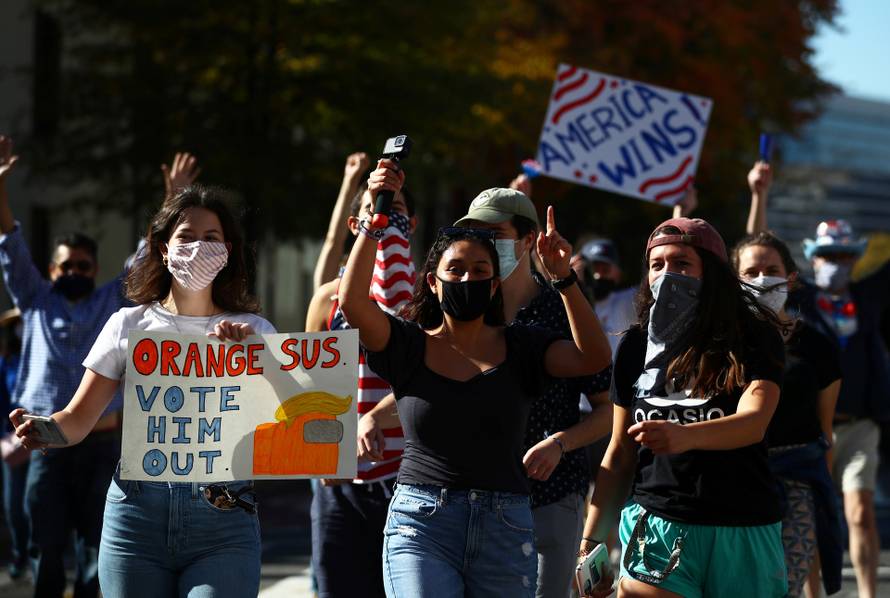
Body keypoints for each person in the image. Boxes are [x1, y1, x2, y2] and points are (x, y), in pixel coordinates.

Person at [339, 159, 611, 597]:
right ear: (432, 282)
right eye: (456, 270)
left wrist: (564, 279)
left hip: (511, 521)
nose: (468, 278)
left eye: (481, 271)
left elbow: (593, 359)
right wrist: (376, 222)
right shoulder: (408, 344)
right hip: (422, 523)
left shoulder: (525, 345)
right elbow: (353, 304)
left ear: (494, 285)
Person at [11, 184, 274, 597]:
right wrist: (44, 429)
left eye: (211, 238)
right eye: (186, 237)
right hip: (135, 522)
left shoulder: (256, 332)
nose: (198, 247)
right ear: (164, 250)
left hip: (223, 523)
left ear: (226, 252)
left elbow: (287, 418)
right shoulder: (127, 326)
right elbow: (77, 419)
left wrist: (259, 361)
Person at [0, 136, 201, 598]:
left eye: (84, 266)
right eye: (66, 266)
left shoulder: (113, 304)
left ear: (95, 270)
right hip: (47, 444)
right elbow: (9, 244)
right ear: (52, 271)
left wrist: (172, 199)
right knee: (45, 544)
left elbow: (148, 254)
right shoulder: (35, 300)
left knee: (97, 546)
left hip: (102, 444)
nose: (75, 272)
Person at [580, 217, 788, 598]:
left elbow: (754, 421)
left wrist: (685, 436)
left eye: (681, 264)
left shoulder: (755, 337)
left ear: (712, 274)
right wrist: (591, 539)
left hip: (743, 527)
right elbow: (620, 451)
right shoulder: (634, 346)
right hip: (658, 524)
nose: (667, 275)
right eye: (657, 265)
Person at [451, 187, 613, 598]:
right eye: (476, 234)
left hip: (548, 499)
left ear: (528, 241)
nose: (485, 244)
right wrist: (375, 416)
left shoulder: (563, 310)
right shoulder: (461, 308)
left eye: (496, 234)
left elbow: (608, 411)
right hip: (472, 500)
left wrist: (560, 443)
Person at [747, 161, 890, 598]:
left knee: (859, 511)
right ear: (810, 260)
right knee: (810, 516)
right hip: (808, 429)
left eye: (844, 256)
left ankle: (868, 594)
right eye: (827, 255)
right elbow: (759, 252)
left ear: (856, 259)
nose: (835, 263)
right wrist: (759, 195)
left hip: (859, 424)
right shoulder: (800, 299)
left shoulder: (869, 297)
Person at [305, 183, 416, 598]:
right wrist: (323, 454)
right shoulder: (327, 300)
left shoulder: (425, 297)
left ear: (411, 224)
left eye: (395, 208)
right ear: (356, 225)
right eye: (375, 209)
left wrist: (377, 416)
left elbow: (433, 378)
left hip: (407, 477)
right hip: (340, 481)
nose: (384, 218)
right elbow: (309, 384)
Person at [733, 231, 843, 597]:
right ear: (736, 280)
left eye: (771, 270)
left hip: (798, 480)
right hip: (736, 480)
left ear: (790, 278)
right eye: (751, 272)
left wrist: (823, 496)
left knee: (785, 584)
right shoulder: (723, 344)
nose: (762, 278)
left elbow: (824, 430)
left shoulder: (817, 346)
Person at [313, 152, 371, 291]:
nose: (380, 215)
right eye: (370, 208)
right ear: (354, 223)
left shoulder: (412, 285)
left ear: (411, 223)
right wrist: (350, 180)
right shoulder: (335, 288)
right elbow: (334, 240)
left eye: (395, 208)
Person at [0, 307, 28, 579]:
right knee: (14, 505)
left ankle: (34, 557)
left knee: (35, 504)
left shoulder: (41, 356)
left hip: (39, 441)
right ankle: (19, 554)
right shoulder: (6, 362)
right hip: (11, 442)